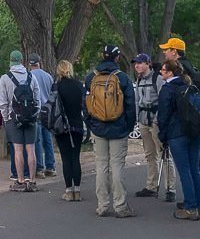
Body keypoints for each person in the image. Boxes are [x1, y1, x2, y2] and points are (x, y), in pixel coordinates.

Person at [160, 37, 200, 210]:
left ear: (175, 52)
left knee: (187, 169)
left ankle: (193, 203)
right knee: (195, 166)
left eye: (167, 49)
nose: (164, 52)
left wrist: (163, 134)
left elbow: (166, 112)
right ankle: (199, 199)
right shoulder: (192, 71)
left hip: (180, 129)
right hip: (194, 128)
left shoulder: (179, 75)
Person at [85, 45, 136, 218]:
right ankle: (120, 205)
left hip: (98, 127)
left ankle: (102, 205)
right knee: (117, 166)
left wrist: (91, 123)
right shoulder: (122, 78)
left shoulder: (92, 77)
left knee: (101, 165)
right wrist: (128, 126)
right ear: (116, 57)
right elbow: (130, 105)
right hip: (118, 127)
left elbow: (86, 104)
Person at [157, 59, 200, 220]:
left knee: (184, 171)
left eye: (163, 70)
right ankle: (199, 204)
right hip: (194, 132)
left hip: (177, 133)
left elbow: (163, 115)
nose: (161, 72)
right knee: (194, 169)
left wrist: (162, 136)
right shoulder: (189, 86)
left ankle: (190, 207)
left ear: (170, 72)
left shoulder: (167, 89)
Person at [133, 53, 176, 202]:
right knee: (150, 155)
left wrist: (159, 121)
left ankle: (170, 188)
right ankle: (151, 186)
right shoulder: (138, 80)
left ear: (148, 64)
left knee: (164, 154)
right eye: (136, 63)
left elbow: (163, 100)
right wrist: (137, 120)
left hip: (156, 123)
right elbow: (137, 101)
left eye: (140, 63)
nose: (137, 65)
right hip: (144, 122)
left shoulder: (157, 79)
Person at [0, 50, 40, 192]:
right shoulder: (31, 77)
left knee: (18, 150)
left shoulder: (5, 78)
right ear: (22, 61)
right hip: (31, 118)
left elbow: (2, 102)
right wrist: (34, 114)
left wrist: (6, 118)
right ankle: (32, 180)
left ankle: (20, 180)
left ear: (11, 62)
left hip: (13, 118)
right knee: (31, 149)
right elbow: (37, 100)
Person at [54, 60, 84, 201]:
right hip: (77, 124)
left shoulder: (57, 87)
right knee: (75, 157)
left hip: (62, 126)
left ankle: (68, 191)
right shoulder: (78, 85)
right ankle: (77, 190)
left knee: (66, 158)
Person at [28, 53, 56, 178]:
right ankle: (51, 167)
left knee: (37, 139)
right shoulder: (48, 76)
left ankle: (39, 168)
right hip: (47, 110)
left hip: (36, 110)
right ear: (40, 62)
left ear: (29, 64)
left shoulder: (29, 76)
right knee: (48, 139)